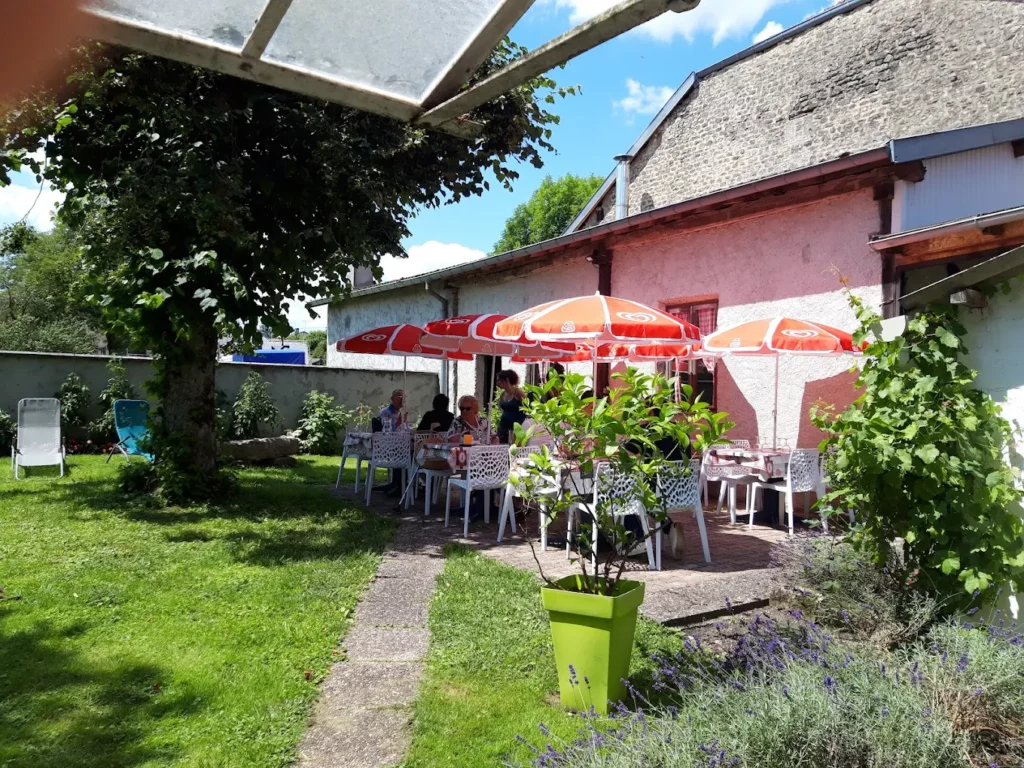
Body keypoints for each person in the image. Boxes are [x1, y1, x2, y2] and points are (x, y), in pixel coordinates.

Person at [496, 370, 527, 444]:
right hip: (504, 426)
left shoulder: (518, 393)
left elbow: (527, 407)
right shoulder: (503, 394)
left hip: (516, 427)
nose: (498, 383)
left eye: (500, 380)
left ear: (506, 380)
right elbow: (501, 408)